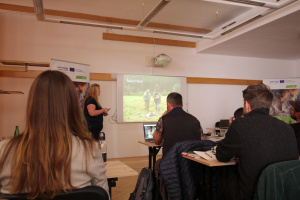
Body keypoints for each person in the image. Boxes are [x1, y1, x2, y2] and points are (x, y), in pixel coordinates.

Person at [0, 70, 109, 199]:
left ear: (32, 104)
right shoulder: (89, 150)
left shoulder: (4, 150)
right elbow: (103, 196)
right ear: (72, 105)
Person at [216, 83, 298, 200]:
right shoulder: (287, 128)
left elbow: (221, 156)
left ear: (247, 104)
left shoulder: (240, 125)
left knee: (221, 176)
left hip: (253, 194)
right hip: (284, 193)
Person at [153, 92, 202, 156]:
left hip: (171, 162)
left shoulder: (164, 119)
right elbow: (201, 139)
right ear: (182, 105)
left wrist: (162, 117)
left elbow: (156, 141)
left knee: (157, 163)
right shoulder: (194, 120)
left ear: (168, 104)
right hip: (191, 162)